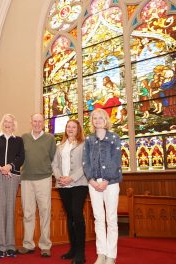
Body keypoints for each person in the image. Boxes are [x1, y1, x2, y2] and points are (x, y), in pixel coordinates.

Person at [82, 108, 122, 264]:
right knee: (98, 219)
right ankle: (101, 254)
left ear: (106, 120)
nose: (97, 120)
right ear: (92, 121)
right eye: (94, 118)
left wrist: (106, 180)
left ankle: (111, 255)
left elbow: (116, 160)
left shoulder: (114, 137)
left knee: (111, 219)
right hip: (93, 183)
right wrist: (91, 180)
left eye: (100, 117)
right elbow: (86, 161)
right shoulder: (89, 140)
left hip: (110, 183)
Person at [18, 113, 56, 257]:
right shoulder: (24, 138)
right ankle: (28, 244)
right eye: (35, 121)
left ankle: (45, 245)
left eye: (40, 121)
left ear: (43, 123)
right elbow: (20, 157)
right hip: (26, 179)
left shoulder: (50, 139)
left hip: (44, 179)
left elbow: (53, 158)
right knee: (28, 212)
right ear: (31, 122)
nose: (37, 124)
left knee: (45, 212)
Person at [0, 114, 25, 259]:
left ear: (14, 125)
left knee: (10, 209)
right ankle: (0, 247)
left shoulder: (19, 140)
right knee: (0, 208)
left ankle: (10, 246)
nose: (8, 124)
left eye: (11, 122)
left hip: (13, 175)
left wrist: (9, 166)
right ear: (2, 123)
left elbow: (21, 157)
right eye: (6, 122)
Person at [51, 119, 88, 264]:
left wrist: (71, 178)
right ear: (65, 129)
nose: (70, 129)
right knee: (70, 216)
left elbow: (85, 165)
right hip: (63, 185)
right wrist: (59, 177)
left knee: (77, 214)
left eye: (74, 127)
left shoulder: (84, 145)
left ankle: (81, 253)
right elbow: (54, 164)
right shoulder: (60, 146)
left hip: (79, 184)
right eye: (68, 127)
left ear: (78, 130)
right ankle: (73, 250)